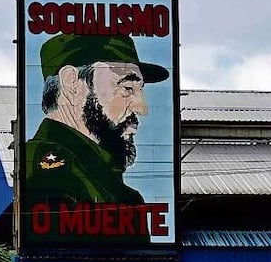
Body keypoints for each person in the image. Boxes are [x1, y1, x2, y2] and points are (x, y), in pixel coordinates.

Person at [23, 32, 169, 210]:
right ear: (72, 84)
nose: (142, 108)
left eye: (140, 90)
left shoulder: (100, 178)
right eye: (127, 88)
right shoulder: (51, 179)